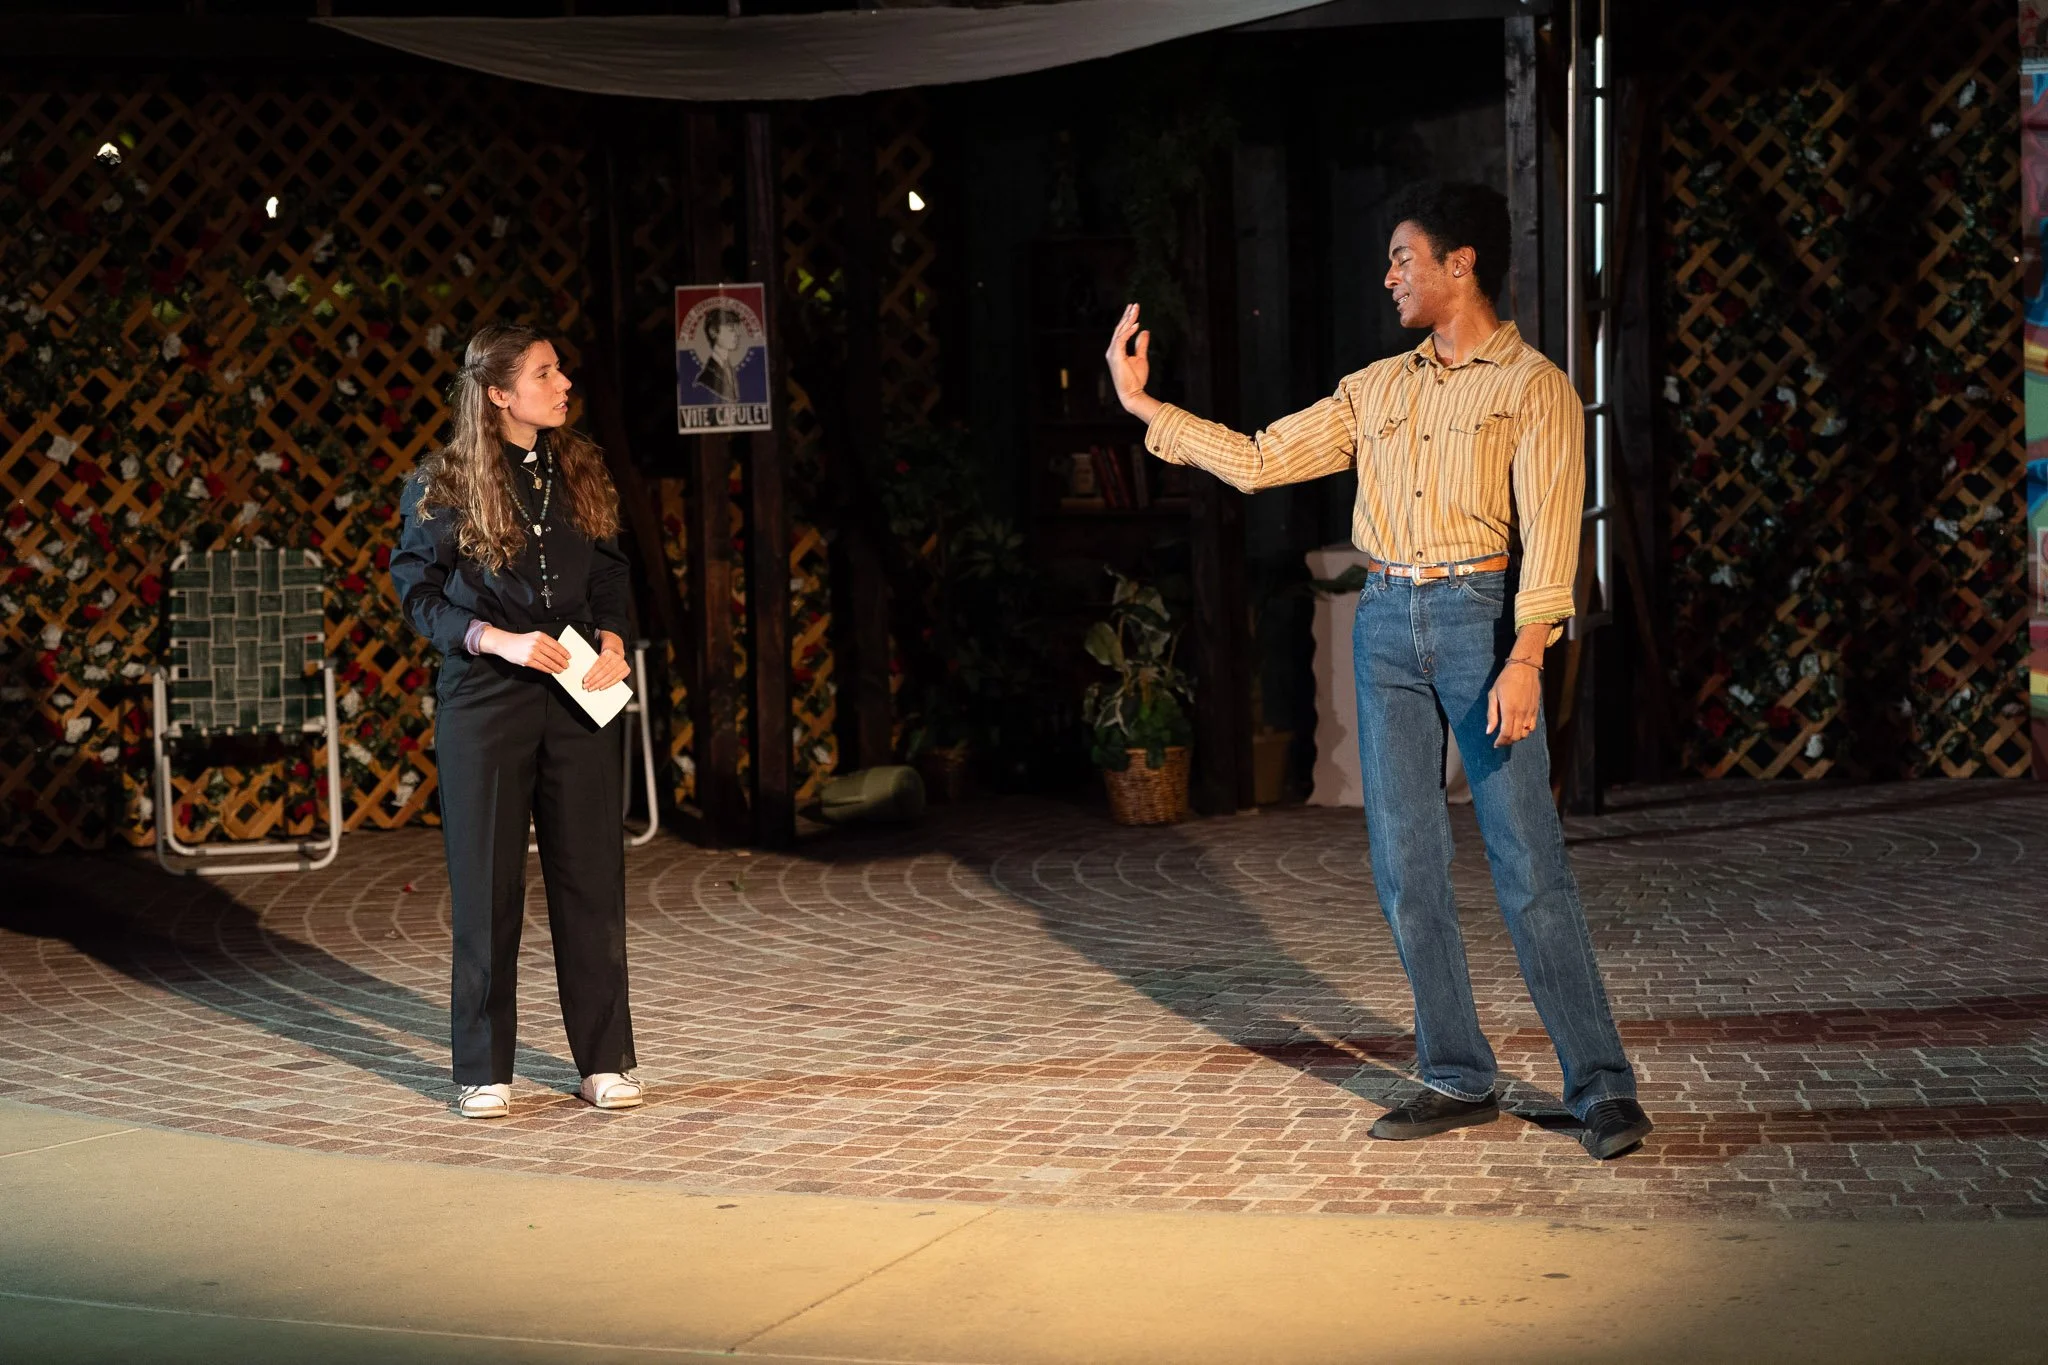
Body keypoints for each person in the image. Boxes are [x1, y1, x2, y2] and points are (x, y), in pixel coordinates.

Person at [1103, 181, 1652, 1161]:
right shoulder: (1374, 389)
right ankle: (1455, 1074)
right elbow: (1264, 457)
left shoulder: (1532, 388)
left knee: (1527, 865)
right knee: (1404, 867)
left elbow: (1553, 541)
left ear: (1460, 264)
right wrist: (1144, 405)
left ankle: (1601, 1087)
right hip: (1385, 621)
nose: (1388, 275)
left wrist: (1526, 657)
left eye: (1404, 258)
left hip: (1484, 621)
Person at [390, 322, 644, 1120]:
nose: (564, 382)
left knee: (591, 878)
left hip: (576, 694)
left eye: (560, 369)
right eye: (545, 373)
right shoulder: (444, 482)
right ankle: (483, 1069)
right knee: (488, 884)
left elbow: (608, 569)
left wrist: (611, 638)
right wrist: (490, 635)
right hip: (485, 698)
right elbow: (416, 591)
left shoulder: (579, 468)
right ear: (499, 394)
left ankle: (604, 1060)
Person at [693, 307, 746, 404]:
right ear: (713, 332)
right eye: (731, 329)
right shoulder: (704, 380)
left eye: (737, 329)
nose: (737, 334)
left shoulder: (731, 369)